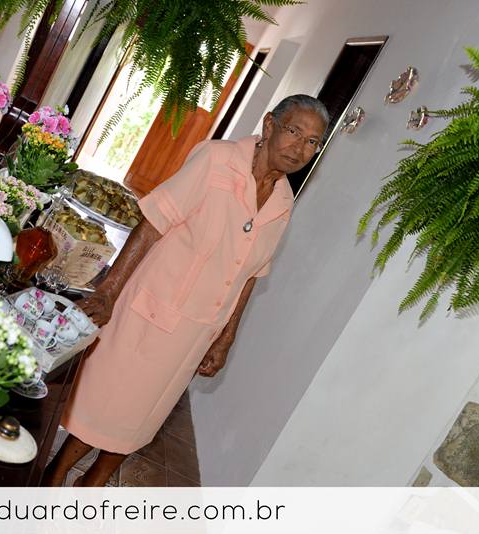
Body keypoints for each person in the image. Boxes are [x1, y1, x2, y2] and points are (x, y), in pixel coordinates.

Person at [44, 95, 330, 487]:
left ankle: (90, 484)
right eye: (294, 131)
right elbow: (154, 222)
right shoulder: (217, 160)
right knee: (105, 408)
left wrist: (226, 337)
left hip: (194, 334)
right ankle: (53, 478)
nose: (300, 148)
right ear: (269, 125)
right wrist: (108, 291)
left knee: (142, 419)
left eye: (312, 142)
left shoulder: (283, 202)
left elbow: (250, 274)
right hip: (149, 314)